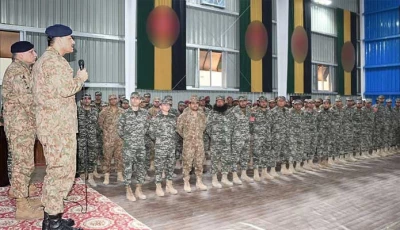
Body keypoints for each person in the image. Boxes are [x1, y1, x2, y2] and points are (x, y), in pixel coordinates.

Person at [32, 24, 86, 229]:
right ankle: (53, 223)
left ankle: (52, 217)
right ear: (60, 39)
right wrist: (80, 79)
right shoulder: (54, 62)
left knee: (56, 170)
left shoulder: (44, 61)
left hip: (53, 125)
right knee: (62, 171)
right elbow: (65, 89)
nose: (73, 42)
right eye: (70, 38)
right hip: (58, 127)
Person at [2, 41, 42, 220]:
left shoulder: (24, 69)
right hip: (20, 125)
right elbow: (27, 100)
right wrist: (44, 118)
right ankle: (22, 206)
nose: (35, 54)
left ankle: (20, 194)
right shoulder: (17, 71)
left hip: (22, 123)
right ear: (20, 55)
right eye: (31, 52)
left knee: (20, 160)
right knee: (23, 163)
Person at [118, 92, 149, 201]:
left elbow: (147, 127)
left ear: (140, 100)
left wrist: (139, 136)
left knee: (141, 167)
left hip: (140, 145)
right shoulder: (124, 114)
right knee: (128, 168)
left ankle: (138, 189)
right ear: (130, 100)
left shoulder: (145, 113)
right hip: (129, 146)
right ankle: (128, 189)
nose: (135, 100)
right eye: (132, 98)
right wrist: (129, 138)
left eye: (137, 98)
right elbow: (120, 130)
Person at [177, 95, 208, 193]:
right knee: (187, 163)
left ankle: (199, 181)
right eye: (193, 103)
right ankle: (186, 182)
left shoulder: (201, 115)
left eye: (197, 103)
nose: (195, 105)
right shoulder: (184, 115)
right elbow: (179, 129)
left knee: (199, 162)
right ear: (189, 104)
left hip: (199, 143)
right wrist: (187, 137)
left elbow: (204, 127)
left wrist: (197, 136)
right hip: (188, 144)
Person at [149, 99, 178, 196]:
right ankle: (158, 186)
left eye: (169, 104)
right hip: (161, 146)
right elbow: (151, 133)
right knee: (159, 167)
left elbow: (175, 131)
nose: (167, 106)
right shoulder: (156, 118)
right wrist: (160, 140)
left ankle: (169, 185)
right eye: (165, 104)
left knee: (170, 166)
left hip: (171, 146)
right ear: (160, 106)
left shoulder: (173, 117)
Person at [98, 94, 125, 184]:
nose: (113, 100)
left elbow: (125, 124)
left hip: (119, 139)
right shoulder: (104, 111)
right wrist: (107, 133)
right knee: (107, 158)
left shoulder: (122, 111)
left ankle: (120, 175)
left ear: (117, 100)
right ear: (109, 101)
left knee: (119, 157)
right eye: (111, 99)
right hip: (108, 140)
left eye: (114, 99)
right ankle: (106, 177)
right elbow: (100, 124)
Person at [77, 94, 100, 187]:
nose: (87, 100)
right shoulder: (78, 111)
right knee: (81, 157)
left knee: (92, 157)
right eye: (84, 98)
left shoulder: (95, 111)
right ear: (81, 100)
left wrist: (96, 136)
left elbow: (98, 125)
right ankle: (82, 177)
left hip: (92, 138)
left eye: (89, 99)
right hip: (81, 138)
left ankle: (90, 177)